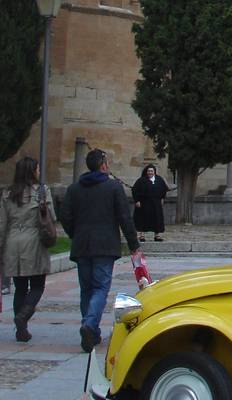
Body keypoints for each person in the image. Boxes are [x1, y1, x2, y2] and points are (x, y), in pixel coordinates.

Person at [61, 149, 142, 352]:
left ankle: (92, 331)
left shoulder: (74, 189)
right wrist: (134, 244)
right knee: (100, 288)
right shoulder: (113, 187)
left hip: (82, 244)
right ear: (103, 165)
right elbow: (125, 217)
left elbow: (65, 215)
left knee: (86, 289)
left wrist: (74, 233)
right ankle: (89, 325)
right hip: (104, 245)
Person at [0, 157, 51, 342]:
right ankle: (23, 316)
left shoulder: (7, 193)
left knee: (20, 287)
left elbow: (2, 223)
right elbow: (50, 217)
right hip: (34, 241)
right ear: (32, 171)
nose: (39, 172)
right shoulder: (42, 192)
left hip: (13, 241)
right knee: (37, 285)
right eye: (37, 169)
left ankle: (20, 328)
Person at [132, 164, 170, 242]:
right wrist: (137, 200)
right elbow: (135, 190)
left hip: (156, 203)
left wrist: (162, 198)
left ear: (154, 172)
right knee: (143, 218)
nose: (150, 172)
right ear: (146, 172)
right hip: (144, 203)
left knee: (157, 219)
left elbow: (163, 189)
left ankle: (157, 235)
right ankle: (141, 235)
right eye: (149, 171)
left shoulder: (159, 179)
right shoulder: (141, 180)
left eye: (151, 171)